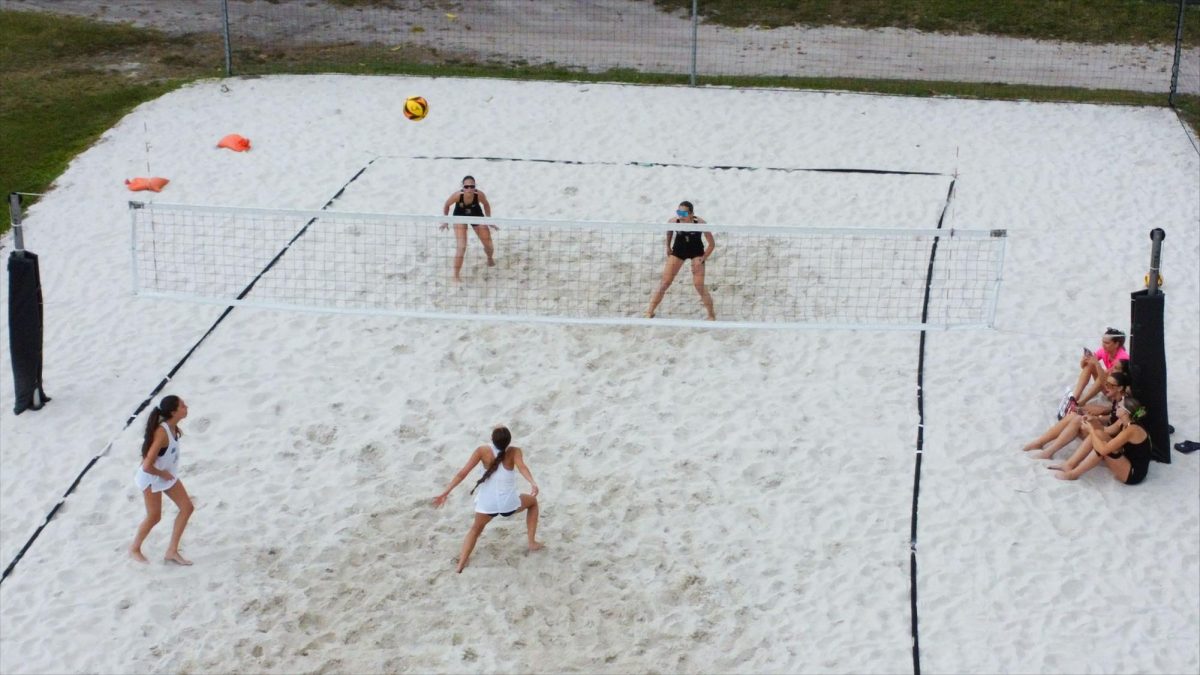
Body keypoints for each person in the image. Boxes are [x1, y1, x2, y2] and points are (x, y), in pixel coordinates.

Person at [432, 425, 543, 573]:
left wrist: (445, 492)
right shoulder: (514, 451)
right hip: (508, 505)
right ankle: (531, 542)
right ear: (509, 442)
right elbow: (523, 467)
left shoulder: (482, 451)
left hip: (487, 505)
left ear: (492, 439)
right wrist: (532, 483)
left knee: (475, 530)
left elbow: (462, 474)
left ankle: (460, 565)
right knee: (533, 502)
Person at [129, 395, 195, 565]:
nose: (186, 406)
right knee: (154, 516)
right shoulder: (162, 432)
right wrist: (162, 474)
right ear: (173, 412)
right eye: (182, 405)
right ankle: (134, 548)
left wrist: (165, 474)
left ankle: (172, 551)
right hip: (152, 477)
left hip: (166, 475)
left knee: (187, 508)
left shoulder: (174, 427)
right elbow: (146, 465)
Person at [1024, 370, 1131, 460]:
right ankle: (1040, 442)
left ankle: (1049, 452)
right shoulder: (1117, 399)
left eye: (1111, 385)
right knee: (1074, 415)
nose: (1106, 387)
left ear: (1120, 388)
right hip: (1107, 432)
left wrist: (1092, 423)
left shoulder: (1124, 405)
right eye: (1106, 384)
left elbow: (1114, 429)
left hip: (1111, 442)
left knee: (1078, 420)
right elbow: (1112, 418)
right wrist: (1095, 418)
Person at [1051, 397, 1152, 484]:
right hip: (1127, 458)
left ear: (1125, 413)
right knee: (1098, 434)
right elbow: (1105, 431)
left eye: (1119, 406)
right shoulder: (1124, 421)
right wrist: (1093, 420)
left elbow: (1104, 450)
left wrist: (1091, 430)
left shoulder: (1132, 429)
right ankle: (1069, 465)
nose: (1116, 407)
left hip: (1133, 473)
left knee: (1100, 443)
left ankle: (1073, 474)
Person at [645, 201, 716, 320]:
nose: (680, 215)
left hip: (696, 252)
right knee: (665, 283)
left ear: (691, 214)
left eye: (683, 213)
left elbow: (712, 244)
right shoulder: (673, 221)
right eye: (679, 212)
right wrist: (667, 246)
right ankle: (649, 312)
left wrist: (703, 258)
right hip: (679, 250)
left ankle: (711, 315)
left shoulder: (700, 223)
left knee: (699, 285)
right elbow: (669, 233)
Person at [1060, 327, 1129, 417]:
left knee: (1103, 372)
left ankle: (1082, 402)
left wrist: (1096, 364)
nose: (1103, 345)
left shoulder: (1122, 358)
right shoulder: (1104, 351)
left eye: (1107, 343)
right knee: (1090, 365)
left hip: (1116, 392)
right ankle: (1075, 398)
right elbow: (1084, 367)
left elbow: (1107, 378)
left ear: (1116, 344)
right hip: (1108, 387)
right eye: (1103, 342)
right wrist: (1084, 360)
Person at [440, 175, 495, 282]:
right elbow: (446, 205)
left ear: (475, 187)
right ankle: (456, 275)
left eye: (472, 186)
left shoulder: (479, 195)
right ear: (463, 187)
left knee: (488, 244)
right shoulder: (457, 196)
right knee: (461, 247)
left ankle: (489, 258)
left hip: (476, 215)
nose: (469, 189)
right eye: (467, 186)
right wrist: (446, 221)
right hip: (460, 216)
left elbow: (486, 205)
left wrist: (489, 220)